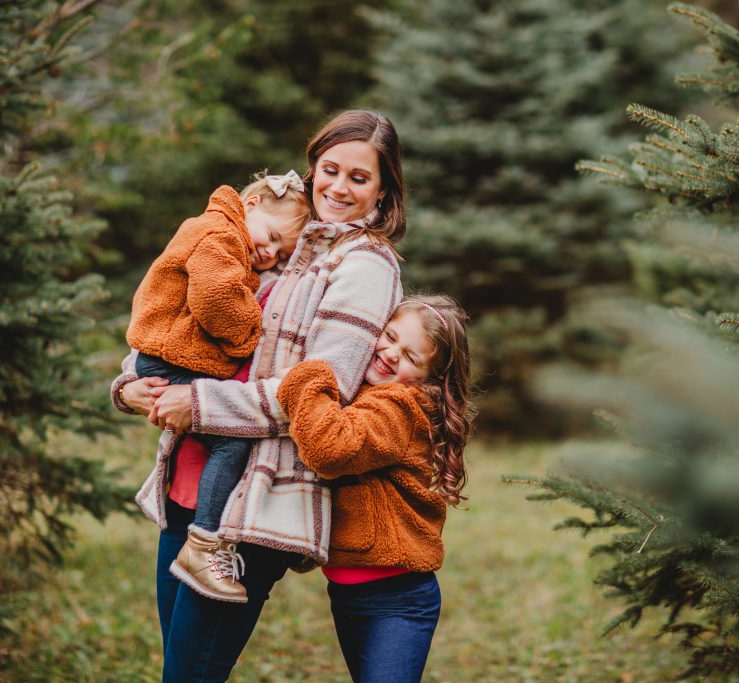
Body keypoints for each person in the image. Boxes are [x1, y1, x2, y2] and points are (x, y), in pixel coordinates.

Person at [113, 110, 407, 682]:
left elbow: (320, 393)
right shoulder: (284, 236)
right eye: (330, 170)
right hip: (188, 484)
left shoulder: (366, 267)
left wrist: (199, 404)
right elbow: (181, 316)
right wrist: (130, 384)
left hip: (252, 504)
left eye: (359, 177)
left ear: (383, 190)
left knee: (190, 674)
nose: (338, 188)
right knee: (177, 667)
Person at [126, 170, 309, 603]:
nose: (269, 253)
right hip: (168, 360)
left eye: (280, 252)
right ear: (250, 205)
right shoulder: (221, 234)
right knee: (231, 441)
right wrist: (249, 334)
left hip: (166, 356)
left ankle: (202, 542)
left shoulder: (219, 232)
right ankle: (204, 545)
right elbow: (214, 299)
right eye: (270, 237)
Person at [277, 294, 473, 683]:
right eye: (390, 336)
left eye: (411, 357)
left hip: (397, 600)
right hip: (348, 595)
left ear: (428, 377)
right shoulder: (369, 394)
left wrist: (307, 375)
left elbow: (330, 448)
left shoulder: (401, 407)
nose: (391, 354)